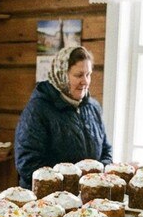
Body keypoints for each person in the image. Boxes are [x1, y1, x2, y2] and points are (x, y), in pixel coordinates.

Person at [14, 46, 112, 188]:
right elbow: (28, 164)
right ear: (61, 75)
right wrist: (72, 186)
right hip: (46, 201)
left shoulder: (93, 107)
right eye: (79, 75)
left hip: (87, 196)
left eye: (88, 74)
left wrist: (94, 181)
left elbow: (106, 150)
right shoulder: (38, 110)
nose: (85, 81)